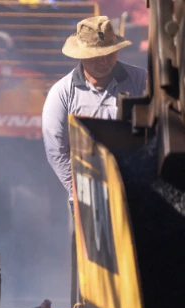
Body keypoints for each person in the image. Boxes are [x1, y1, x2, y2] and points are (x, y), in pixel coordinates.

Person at [43, 15, 147, 197]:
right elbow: (56, 150)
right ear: (82, 56)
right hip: (86, 192)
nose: (105, 62)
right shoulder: (61, 93)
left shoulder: (141, 81)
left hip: (136, 188)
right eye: (97, 57)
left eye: (110, 54)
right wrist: (81, 193)